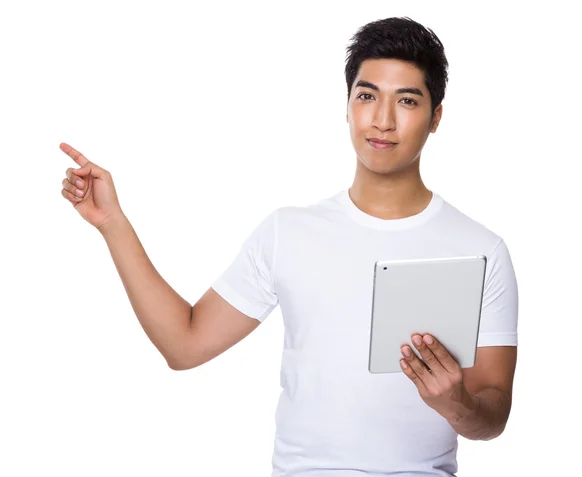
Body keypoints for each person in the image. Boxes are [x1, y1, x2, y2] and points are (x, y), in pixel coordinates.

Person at [59, 16, 518, 477]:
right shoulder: (289, 233)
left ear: (436, 116)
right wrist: (113, 224)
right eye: (367, 96)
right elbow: (184, 345)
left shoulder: (480, 249)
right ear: (347, 106)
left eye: (407, 100)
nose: (382, 120)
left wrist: (455, 403)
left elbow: (492, 416)